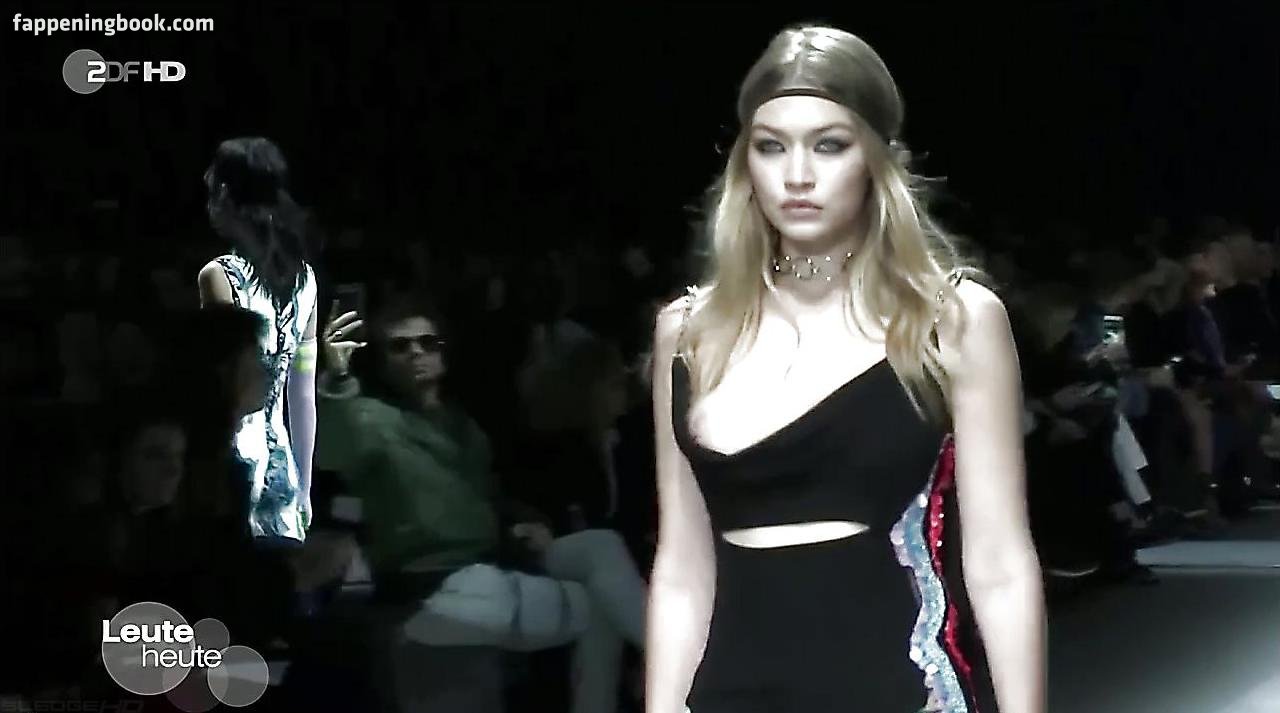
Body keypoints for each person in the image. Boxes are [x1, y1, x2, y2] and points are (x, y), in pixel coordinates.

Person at [646, 26, 1045, 713]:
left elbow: (1000, 562)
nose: (797, 175)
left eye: (828, 145)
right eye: (771, 147)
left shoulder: (951, 321)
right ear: (746, 163)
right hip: (731, 693)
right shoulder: (688, 333)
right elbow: (682, 568)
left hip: (901, 691)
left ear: (876, 159)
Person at [315, 292, 647, 713]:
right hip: (434, 583)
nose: (416, 353)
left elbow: (485, 498)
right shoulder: (371, 418)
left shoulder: (463, 426)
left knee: (600, 546)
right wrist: (338, 377)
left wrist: (522, 524)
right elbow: (334, 450)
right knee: (598, 607)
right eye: (400, 346)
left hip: (486, 567)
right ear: (383, 361)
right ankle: (677, 661)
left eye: (427, 343)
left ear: (443, 352)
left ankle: (667, 657)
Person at [197, 136, 320, 545]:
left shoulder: (218, 276)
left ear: (224, 193)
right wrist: (304, 487)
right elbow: (302, 393)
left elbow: (224, 386)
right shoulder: (305, 280)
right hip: (283, 470)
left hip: (234, 464)